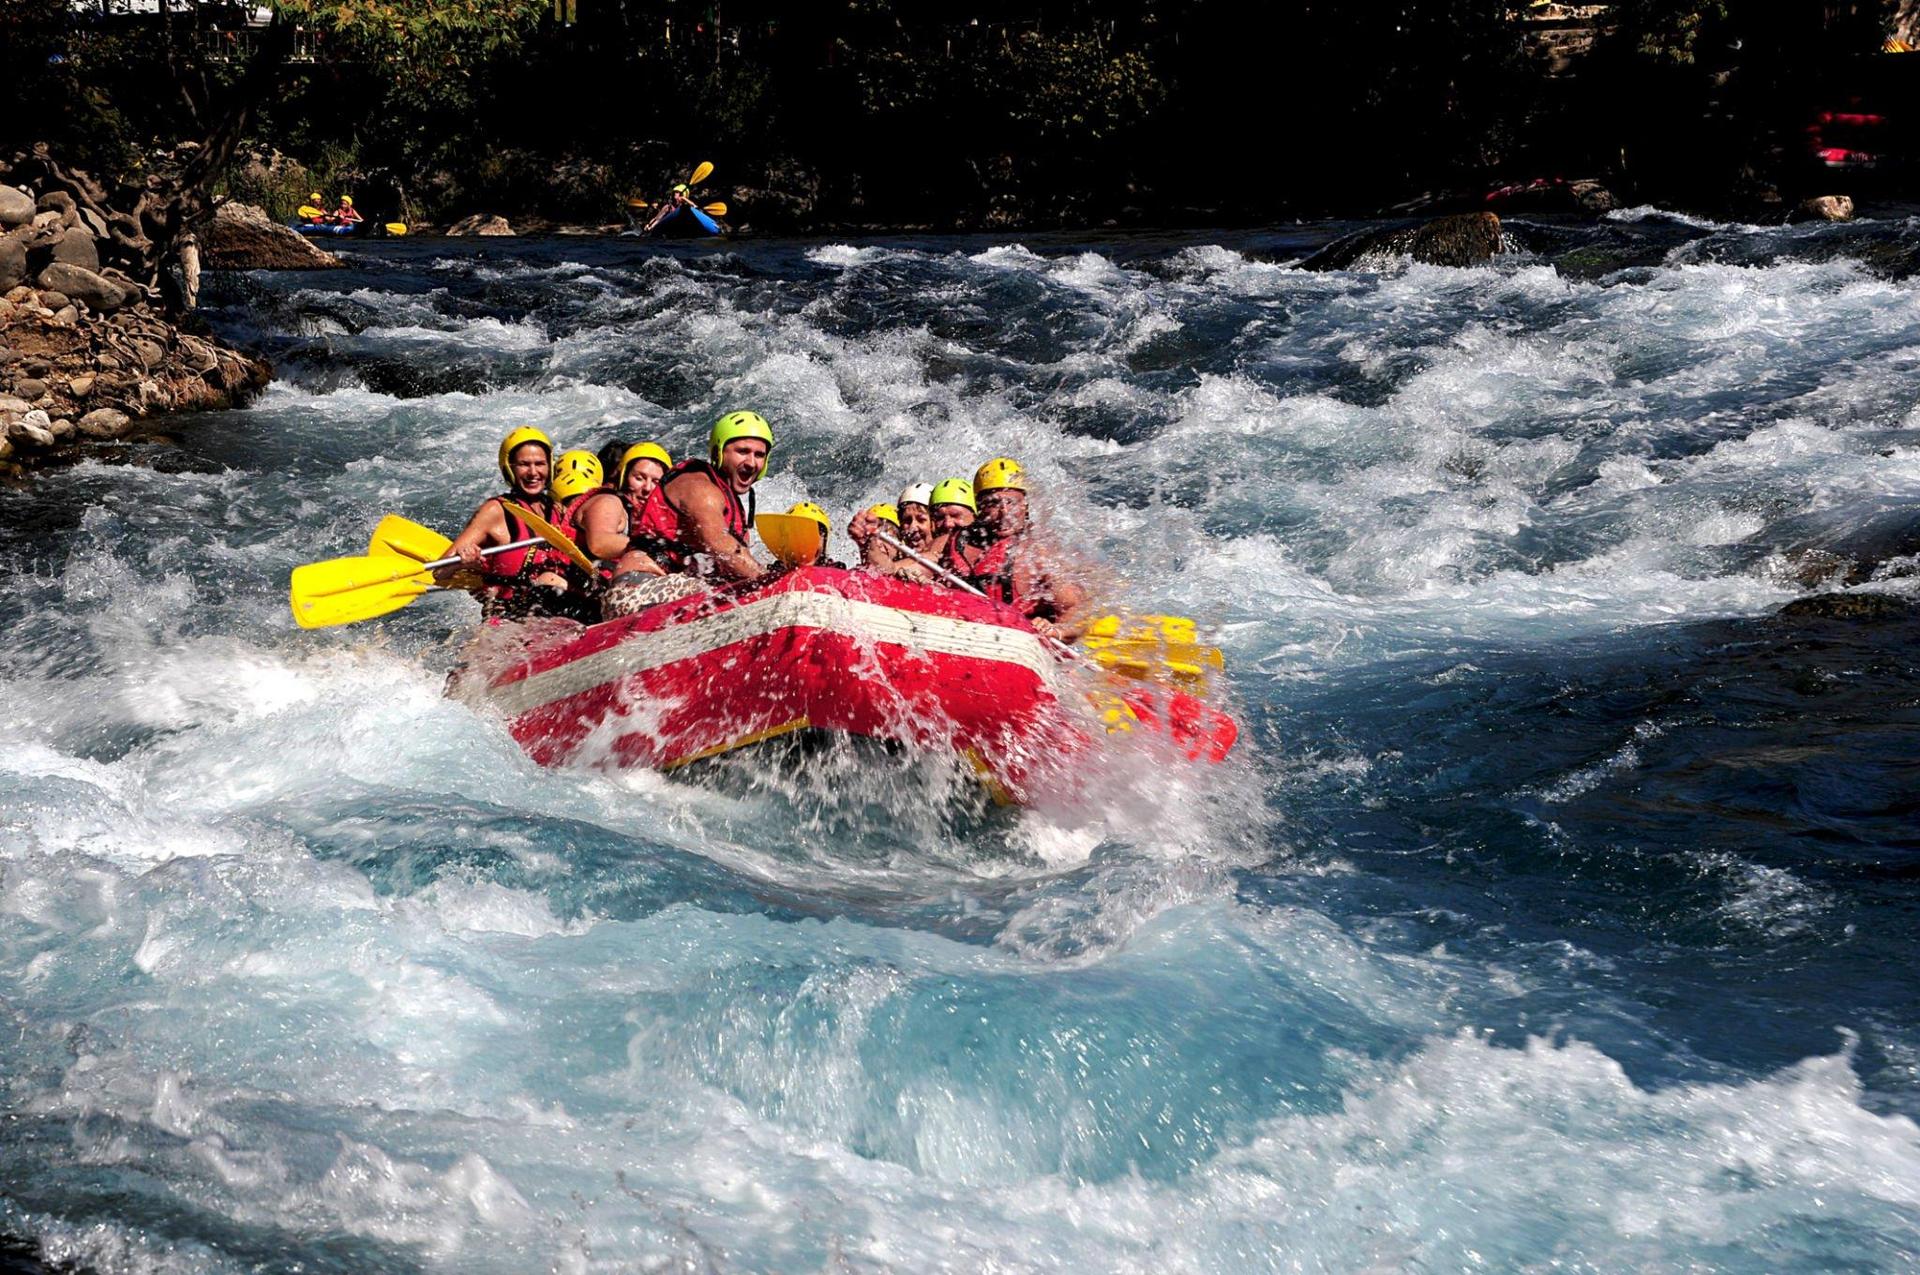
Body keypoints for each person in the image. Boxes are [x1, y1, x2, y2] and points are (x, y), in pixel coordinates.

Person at [943, 457, 1088, 640]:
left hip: (1021, 640)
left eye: (1011, 502)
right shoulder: (958, 539)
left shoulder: (1038, 550)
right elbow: (925, 559)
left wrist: (1057, 631)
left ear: (1025, 506)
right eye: (993, 504)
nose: (1004, 513)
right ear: (979, 508)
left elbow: (1077, 612)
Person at [440, 426, 576, 618]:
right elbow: (440, 571)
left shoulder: (558, 510)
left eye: (540, 464)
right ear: (509, 468)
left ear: (550, 467)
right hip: (507, 616)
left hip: (557, 608)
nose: (533, 472)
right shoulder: (495, 511)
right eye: (524, 464)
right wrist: (462, 560)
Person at [628, 411, 771, 582]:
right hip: (638, 584)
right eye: (742, 451)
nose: (751, 463)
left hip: (675, 585)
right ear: (718, 453)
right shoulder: (700, 488)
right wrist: (767, 579)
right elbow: (720, 545)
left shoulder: (726, 492)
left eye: (759, 455)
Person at [571, 441, 672, 566]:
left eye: (656, 482)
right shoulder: (608, 502)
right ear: (624, 478)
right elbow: (599, 543)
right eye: (639, 478)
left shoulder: (653, 517)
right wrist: (656, 549)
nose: (647, 488)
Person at [785, 501, 845, 568]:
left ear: (824, 541)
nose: (806, 543)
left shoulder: (835, 570)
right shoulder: (775, 571)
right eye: (799, 533)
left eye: (813, 534)